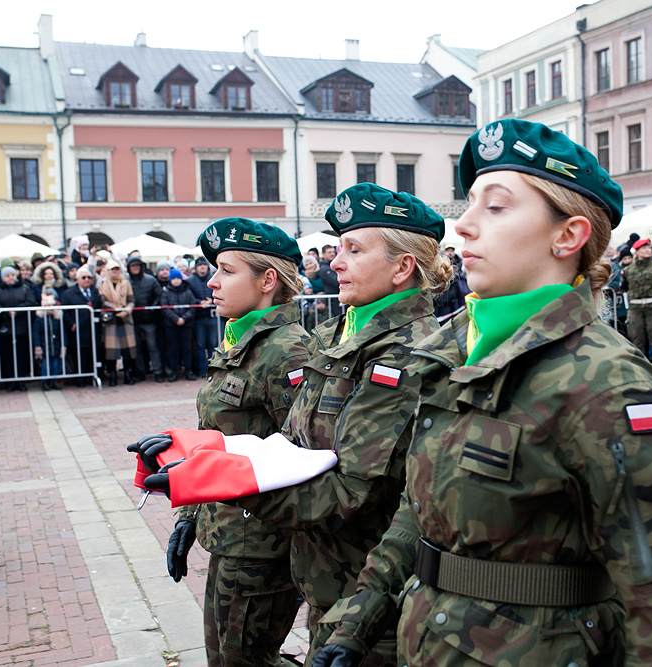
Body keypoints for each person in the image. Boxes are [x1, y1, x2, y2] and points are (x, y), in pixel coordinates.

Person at [312, 120, 652, 667]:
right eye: (469, 205)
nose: (462, 226)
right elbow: (421, 512)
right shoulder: (453, 353)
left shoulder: (605, 384)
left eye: (495, 207)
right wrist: (357, 621)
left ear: (568, 236)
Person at [217, 184, 450, 666]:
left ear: (403, 267)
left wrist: (227, 483)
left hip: (373, 601)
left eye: (354, 249)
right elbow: (293, 445)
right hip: (325, 583)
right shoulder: (333, 334)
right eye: (338, 247)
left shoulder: (407, 354)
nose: (335, 262)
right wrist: (209, 451)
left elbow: (351, 493)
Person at [135, 218, 316, 667]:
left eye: (226, 270)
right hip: (230, 535)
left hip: (262, 544)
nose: (212, 282)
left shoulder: (287, 350)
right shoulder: (242, 339)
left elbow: (302, 457)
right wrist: (190, 516)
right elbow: (215, 441)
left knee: (244, 661)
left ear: (267, 280)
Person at [0, 263, 37, 390]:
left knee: (21, 354)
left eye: (12, 275)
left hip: (21, 326)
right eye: (8, 276)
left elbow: (30, 303)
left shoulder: (24, 288)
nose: (11, 278)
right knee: (7, 355)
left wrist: (17, 311)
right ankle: (10, 380)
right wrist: (6, 312)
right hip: (5, 327)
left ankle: (21, 379)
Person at [98, 260, 137, 387]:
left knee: (128, 350)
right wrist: (115, 307)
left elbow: (131, 300)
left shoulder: (126, 283)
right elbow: (103, 300)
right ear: (108, 271)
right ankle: (113, 376)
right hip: (111, 320)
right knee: (111, 352)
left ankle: (127, 374)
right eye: (112, 269)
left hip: (125, 319)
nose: (115, 272)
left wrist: (127, 309)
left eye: (117, 269)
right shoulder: (103, 284)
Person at [61, 266, 102, 386]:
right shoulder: (69, 294)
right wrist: (71, 324)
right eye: (83, 277)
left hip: (93, 330)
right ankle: (80, 378)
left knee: (93, 353)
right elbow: (65, 311)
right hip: (78, 330)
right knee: (80, 355)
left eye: (89, 277)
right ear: (77, 279)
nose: (87, 280)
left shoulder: (95, 292)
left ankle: (93, 376)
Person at [126, 256, 165, 382]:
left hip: (149, 320)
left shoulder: (150, 280)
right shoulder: (126, 282)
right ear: (129, 268)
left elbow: (159, 295)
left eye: (138, 265)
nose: (136, 268)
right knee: (137, 348)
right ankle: (140, 372)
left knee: (152, 346)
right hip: (133, 320)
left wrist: (153, 307)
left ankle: (158, 372)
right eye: (133, 266)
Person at [188, 257, 217, 377]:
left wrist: (212, 300)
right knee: (200, 345)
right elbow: (188, 297)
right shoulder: (190, 281)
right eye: (200, 265)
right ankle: (202, 370)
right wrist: (199, 302)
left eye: (204, 265)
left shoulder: (213, 278)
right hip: (198, 317)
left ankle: (214, 369)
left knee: (213, 345)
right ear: (196, 267)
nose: (202, 267)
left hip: (212, 316)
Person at [32, 288, 64, 390]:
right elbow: (36, 333)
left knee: (55, 365)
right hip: (44, 345)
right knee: (45, 366)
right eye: (48, 306)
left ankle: (54, 381)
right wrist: (37, 345)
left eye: (52, 306)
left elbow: (63, 333)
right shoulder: (39, 319)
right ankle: (45, 381)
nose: (50, 308)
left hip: (56, 345)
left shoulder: (57, 319)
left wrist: (64, 345)